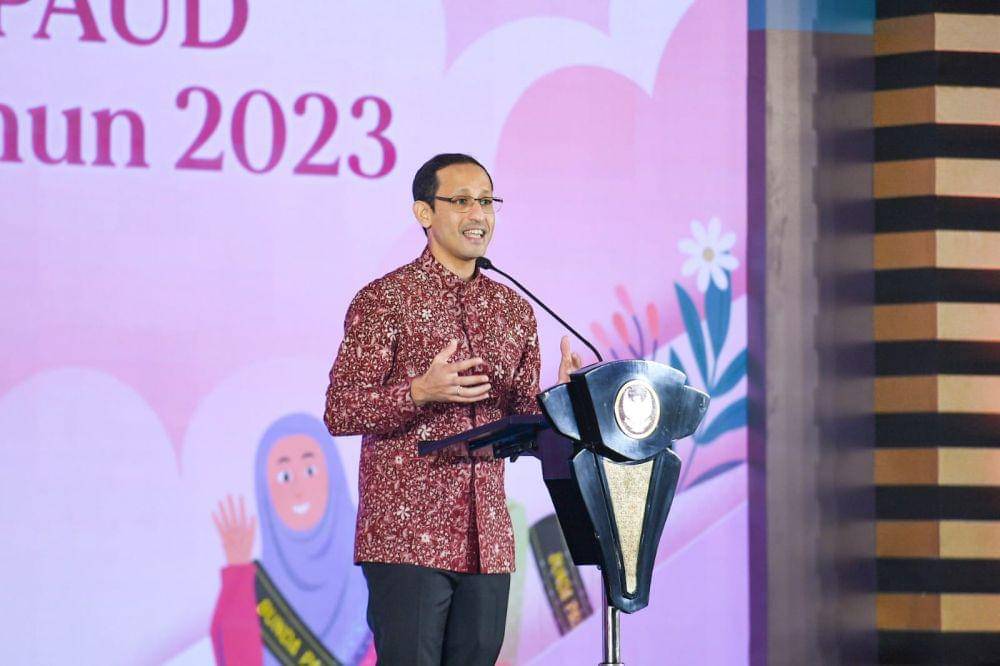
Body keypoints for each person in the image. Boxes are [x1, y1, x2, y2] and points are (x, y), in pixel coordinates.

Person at [324, 153, 582, 665]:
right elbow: (341, 408)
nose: (478, 214)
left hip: (487, 538)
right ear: (424, 213)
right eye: (461, 201)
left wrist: (559, 403)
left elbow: (518, 419)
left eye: (486, 201)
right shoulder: (385, 300)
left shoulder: (513, 310)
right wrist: (418, 391)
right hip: (406, 536)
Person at [210, 413, 376, 666]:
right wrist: (238, 578)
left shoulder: (372, 571)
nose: (299, 489)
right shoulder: (255, 589)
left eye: (310, 470)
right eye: (284, 476)